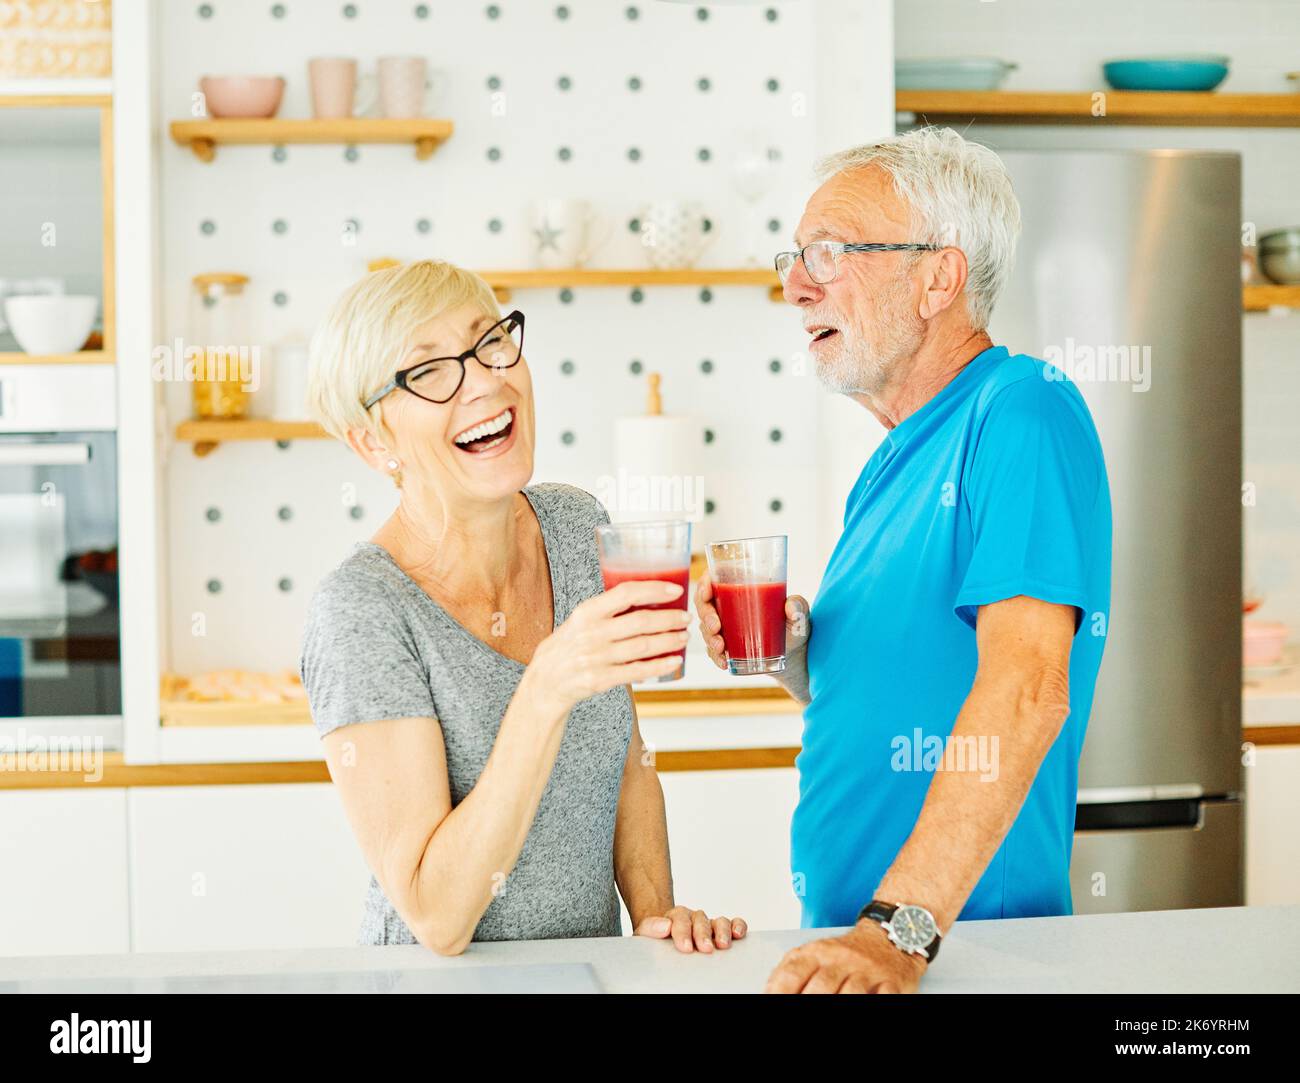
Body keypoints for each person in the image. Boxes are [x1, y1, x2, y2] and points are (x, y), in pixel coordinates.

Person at [695, 127, 1111, 993]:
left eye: (829, 252)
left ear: (937, 278)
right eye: (793, 256)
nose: (795, 284)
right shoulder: (893, 457)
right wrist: (787, 647)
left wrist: (900, 931)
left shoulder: (1024, 412)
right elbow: (897, 679)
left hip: (960, 948)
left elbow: (1030, 689)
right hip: (866, 948)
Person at [302, 259, 745, 955]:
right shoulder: (362, 608)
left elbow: (627, 765)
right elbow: (437, 916)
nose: (484, 380)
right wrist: (544, 688)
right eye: (429, 372)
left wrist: (656, 917)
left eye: (490, 342)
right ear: (373, 441)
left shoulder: (576, 526)